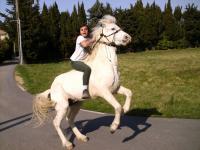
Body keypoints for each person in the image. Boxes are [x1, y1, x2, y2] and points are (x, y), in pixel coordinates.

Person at [70, 25, 95, 99]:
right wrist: (93, 39)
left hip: (84, 60)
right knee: (87, 69)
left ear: (88, 31)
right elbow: (85, 44)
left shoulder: (88, 39)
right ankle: (85, 91)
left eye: (85, 29)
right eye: (82, 30)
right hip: (75, 61)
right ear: (80, 32)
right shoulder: (80, 38)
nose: (84, 31)